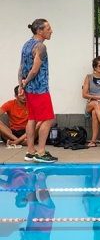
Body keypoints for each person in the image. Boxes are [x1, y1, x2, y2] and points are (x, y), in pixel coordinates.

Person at [18, 19, 57, 163]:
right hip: (40, 89)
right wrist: (26, 82)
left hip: (29, 90)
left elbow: (21, 67)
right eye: (48, 28)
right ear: (39, 31)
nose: (51, 30)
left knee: (32, 119)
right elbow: (34, 70)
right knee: (48, 119)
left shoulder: (27, 44)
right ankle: (40, 152)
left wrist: (22, 86)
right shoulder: (40, 47)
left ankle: (30, 151)